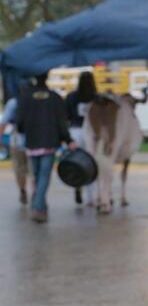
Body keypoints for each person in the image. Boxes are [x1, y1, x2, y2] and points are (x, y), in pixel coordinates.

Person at [17, 73, 77, 222]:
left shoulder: (25, 97)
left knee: (37, 176)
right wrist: (68, 140)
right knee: (44, 176)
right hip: (49, 143)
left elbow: (20, 123)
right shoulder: (55, 98)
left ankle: (40, 205)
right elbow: (62, 123)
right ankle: (38, 207)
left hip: (31, 142)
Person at [65, 71, 97, 205]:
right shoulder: (96, 98)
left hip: (75, 131)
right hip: (92, 132)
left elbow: (66, 116)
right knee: (91, 164)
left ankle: (78, 186)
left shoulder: (72, 97)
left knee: (77, 164)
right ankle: (91, 197)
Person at [0, 92, 30, 205]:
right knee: (34, 171)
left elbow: (3, 123)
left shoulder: (13, 102)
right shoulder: (35, 100)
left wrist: (0, 138)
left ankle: (22, 190)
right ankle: (36, 195)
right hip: (35, 141)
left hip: (16, 140)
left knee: (19, 169)